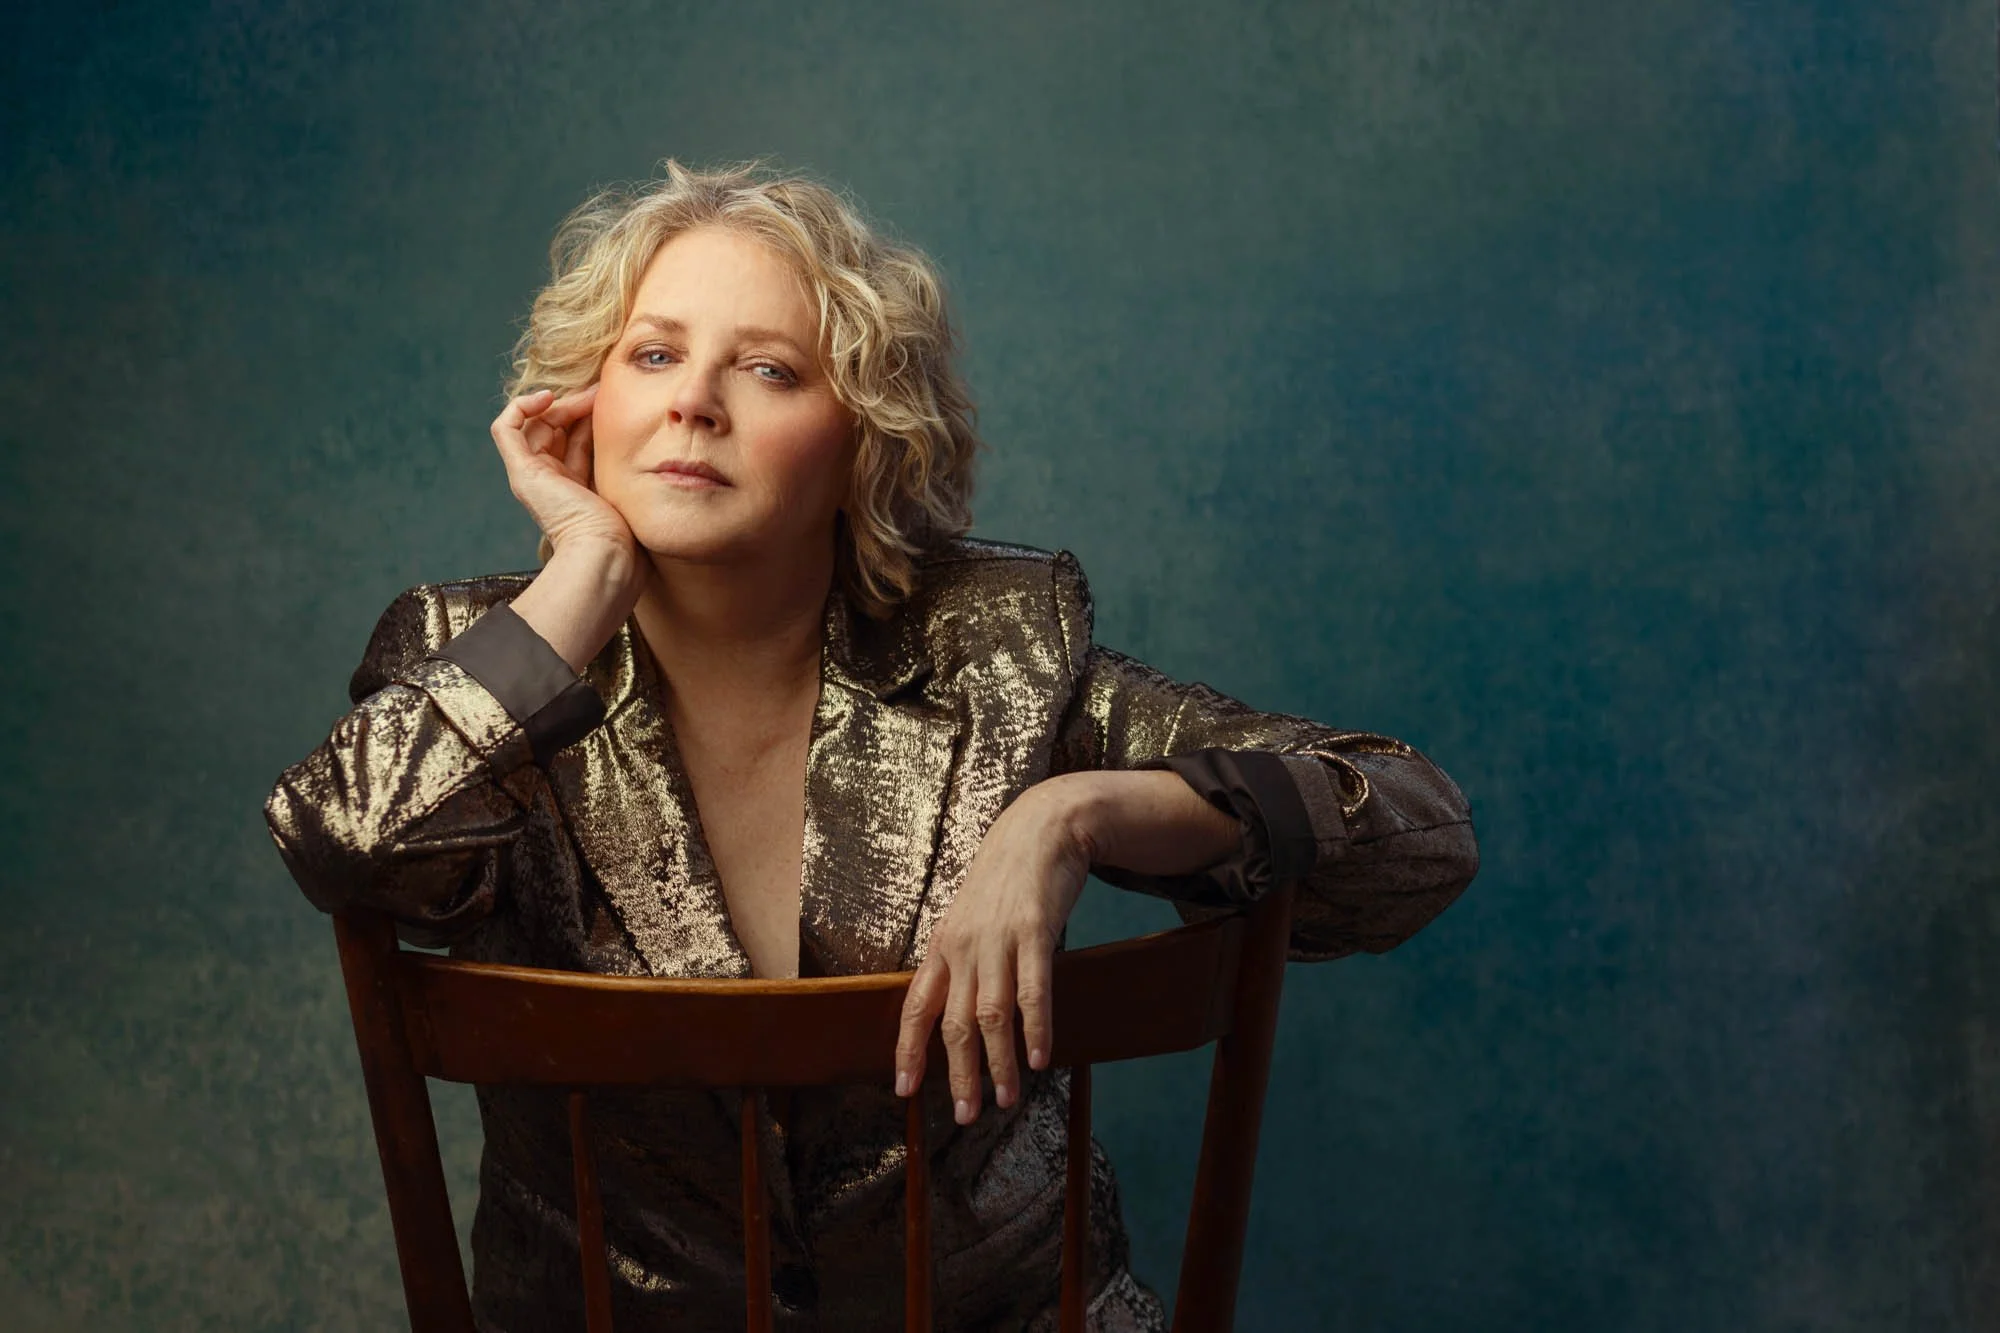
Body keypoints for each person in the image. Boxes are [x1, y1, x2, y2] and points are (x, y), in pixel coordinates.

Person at [263, 157, 1479, 1332]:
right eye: (653, 354)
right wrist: (581, 579)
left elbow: (1409, 830)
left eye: (769, 370)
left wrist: (1068, 817)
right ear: (582, 404)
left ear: (866, 437)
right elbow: (342, 846)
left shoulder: (1000, 654)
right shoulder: (474, 657)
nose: (693, 401)